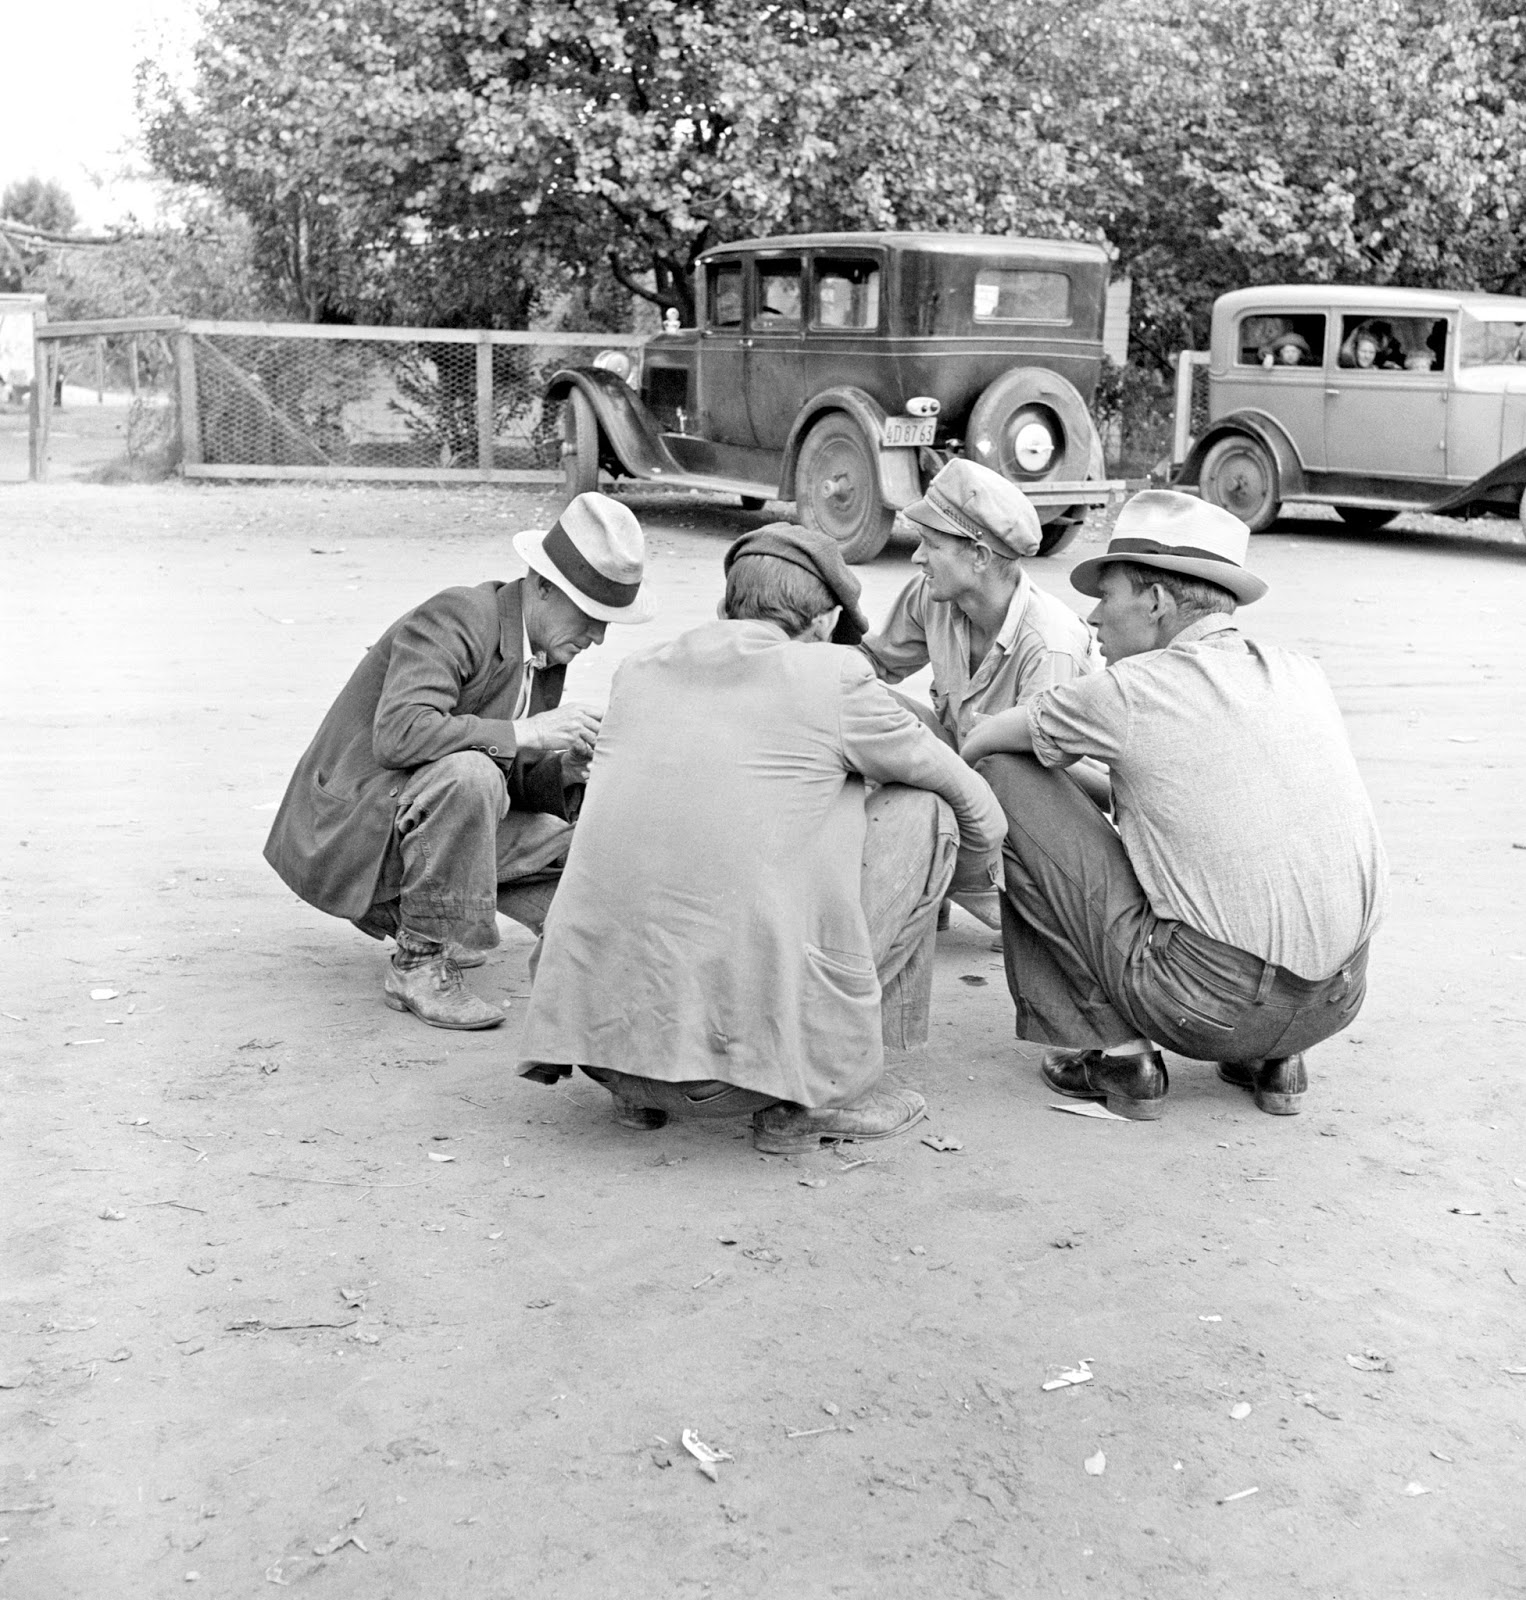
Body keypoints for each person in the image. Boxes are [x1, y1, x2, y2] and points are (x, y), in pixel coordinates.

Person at [516, 524, 1006, 1154]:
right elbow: (977, 807)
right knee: (926, 810)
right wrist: (959, 881)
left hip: (598, 1054)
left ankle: (639, 1091)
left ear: (726, 606)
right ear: (825, 621)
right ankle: (816, 1095)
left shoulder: (638, 672)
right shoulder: (835, 677)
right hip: (735, 1081)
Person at [960, 490, 1387, 1120]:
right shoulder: (1300, 671)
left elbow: (982, 744)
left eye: (1107, 595)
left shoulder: (1132, 689)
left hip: (1205, 1006)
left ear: (1157, 601)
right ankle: (1275, 1059)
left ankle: (1119, 1056)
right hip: (1338, 1000)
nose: (1093, 618)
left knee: (1005, 774)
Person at [263, 492, 652, 1031]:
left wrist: (561, 770)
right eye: (590, 615)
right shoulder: (458, 615)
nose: (599, 637)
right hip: (352, 829)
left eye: (607, 621)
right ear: (542, 585)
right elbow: (400, 736)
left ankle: (544, 950)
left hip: (413, 813)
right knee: (470, 778)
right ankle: (418, 963)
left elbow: (496, 762)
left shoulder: (543, 647)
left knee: (579, 845)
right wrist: (528, 731)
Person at [860, 458, 1098, 927]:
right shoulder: (932, 595)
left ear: (980, 556)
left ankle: (979, 890)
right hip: (964, 774)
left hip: (1026, 818)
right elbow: (872, 664)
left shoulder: (1049, 644)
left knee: (1002, 765)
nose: (917, 557)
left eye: (931, 544)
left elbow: (1044, 787)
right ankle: (931, 881)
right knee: (862, 706)